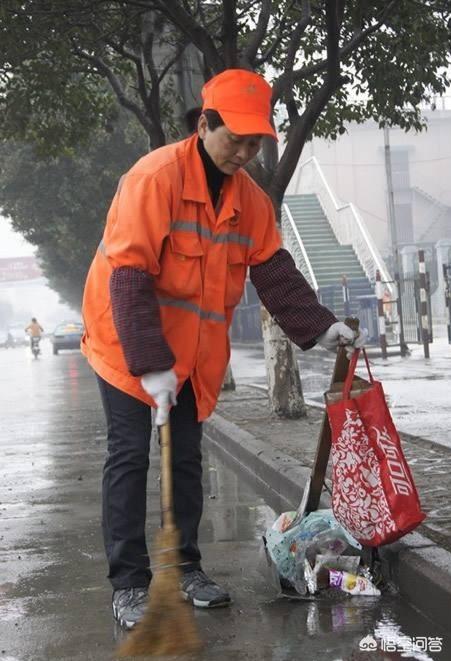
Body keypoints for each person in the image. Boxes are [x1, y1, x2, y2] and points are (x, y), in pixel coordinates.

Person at [81, 69, 365, 630]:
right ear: (204, 123)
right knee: (131, 458)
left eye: (254, 141)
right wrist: (149, 364)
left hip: (192, 360)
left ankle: (185, 567)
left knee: (185, 460)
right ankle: (130, 584)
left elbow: (274, 272)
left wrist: (319, 326)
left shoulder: (250, 201)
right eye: (233, 137)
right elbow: (130, 277)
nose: (243, 150)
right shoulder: (155, 178)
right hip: (125, 343)